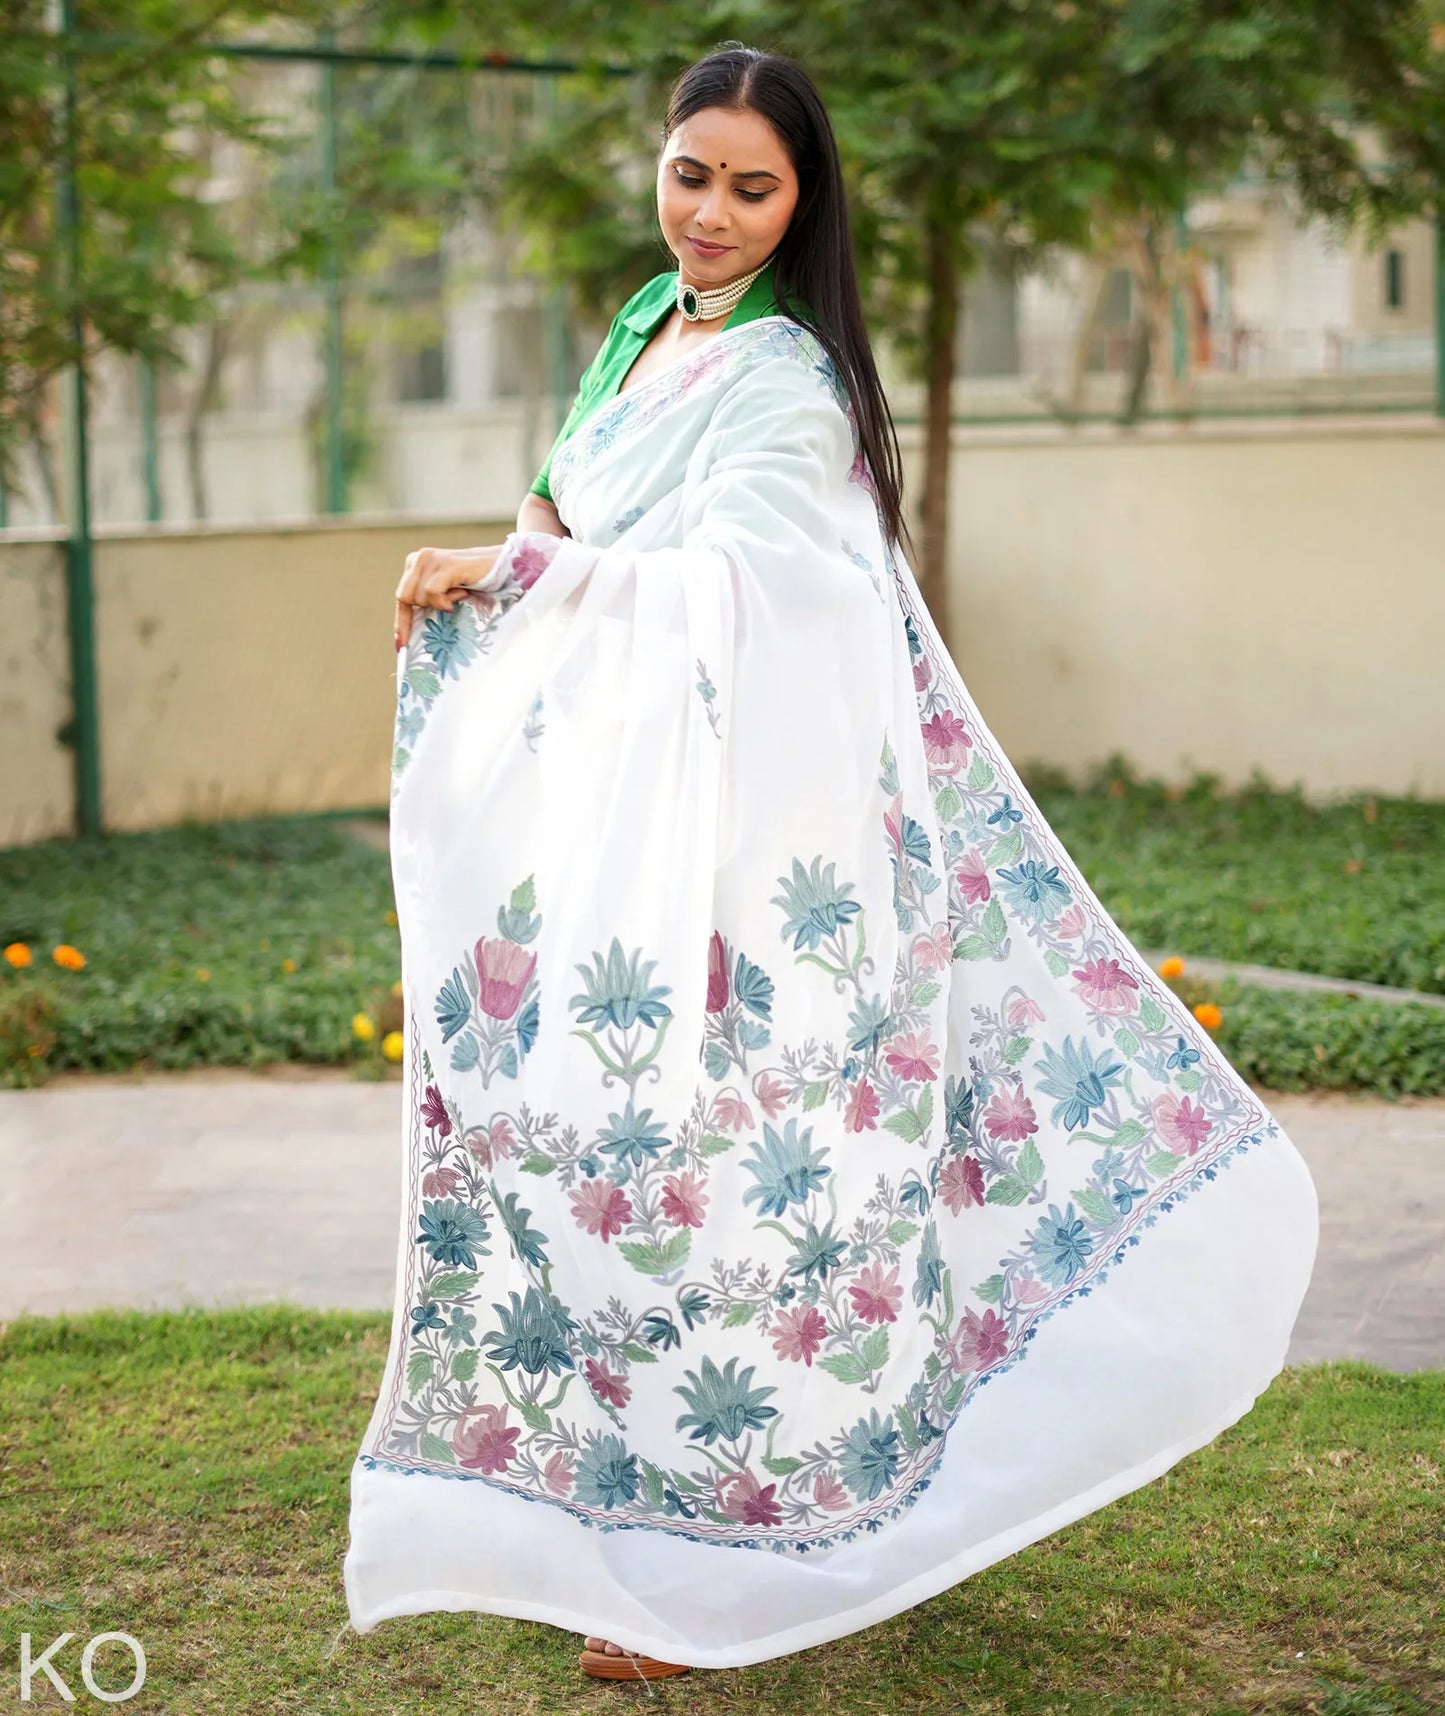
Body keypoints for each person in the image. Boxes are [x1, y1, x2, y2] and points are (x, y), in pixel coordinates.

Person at [344, 44, 1319, 1683]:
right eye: (690, 174)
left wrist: (530, 577)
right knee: (612, 1166)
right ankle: (657, 1532)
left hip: (757, 843)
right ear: (656, 164)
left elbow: (752, 585)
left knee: (738, 1185)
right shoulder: (646, 329)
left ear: (801, 204)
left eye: (751, 188)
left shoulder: (787, 382)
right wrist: (509, 562)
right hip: (627, 817)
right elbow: (567, 514)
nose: (710, 213)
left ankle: (730, 1572)